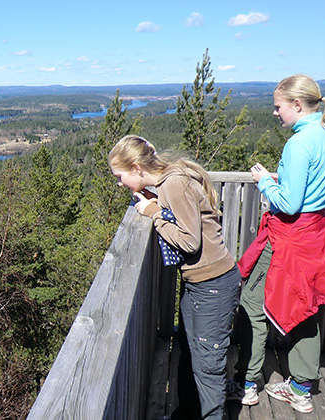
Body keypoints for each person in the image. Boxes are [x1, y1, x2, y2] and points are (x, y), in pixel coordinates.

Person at [231, 74, 325, 414]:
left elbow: (290, 203)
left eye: (278, 106)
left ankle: (247, 383)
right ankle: (300, 389)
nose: (275, 113)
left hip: (289, 237)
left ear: (297, 105)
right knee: (306, 308)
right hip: (318, 235)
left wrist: (265, 182)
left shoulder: (299, 143)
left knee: (253, 305)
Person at [109, 135, 241, 420]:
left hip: (213, 286)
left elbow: (189, 241)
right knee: (189, 356)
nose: (120, 183)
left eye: (120, 177)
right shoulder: (167, 183)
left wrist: (155, 212)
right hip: (201, 284)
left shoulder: (174, 184)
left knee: (208, 368)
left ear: (137, 168)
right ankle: (187, 415)